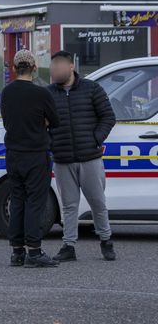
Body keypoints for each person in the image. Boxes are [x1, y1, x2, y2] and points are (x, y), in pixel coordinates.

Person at [48, 51, 117, 262]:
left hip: (90, 157)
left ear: (71, 67)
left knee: (97, 202)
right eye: (52, 67)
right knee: (69, 205)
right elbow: (41, 122)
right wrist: (51, 143)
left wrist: (96, 139)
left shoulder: (91, 88)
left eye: (59, 66)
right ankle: (69, 246)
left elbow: (108, 117)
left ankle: (106, 241)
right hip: (62, 159)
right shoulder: (48, 94)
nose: (54, 71)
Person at [1, 49, 60, 268]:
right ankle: (34, 251)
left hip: (14, 153)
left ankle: (17, 251)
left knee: (17, 200)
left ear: (14, 69)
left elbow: (7, 122)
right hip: (36, 154)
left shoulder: (7, 93)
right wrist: (42, 122)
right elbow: (55, 121)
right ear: (34, 68)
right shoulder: (42, 94)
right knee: (35, 202)